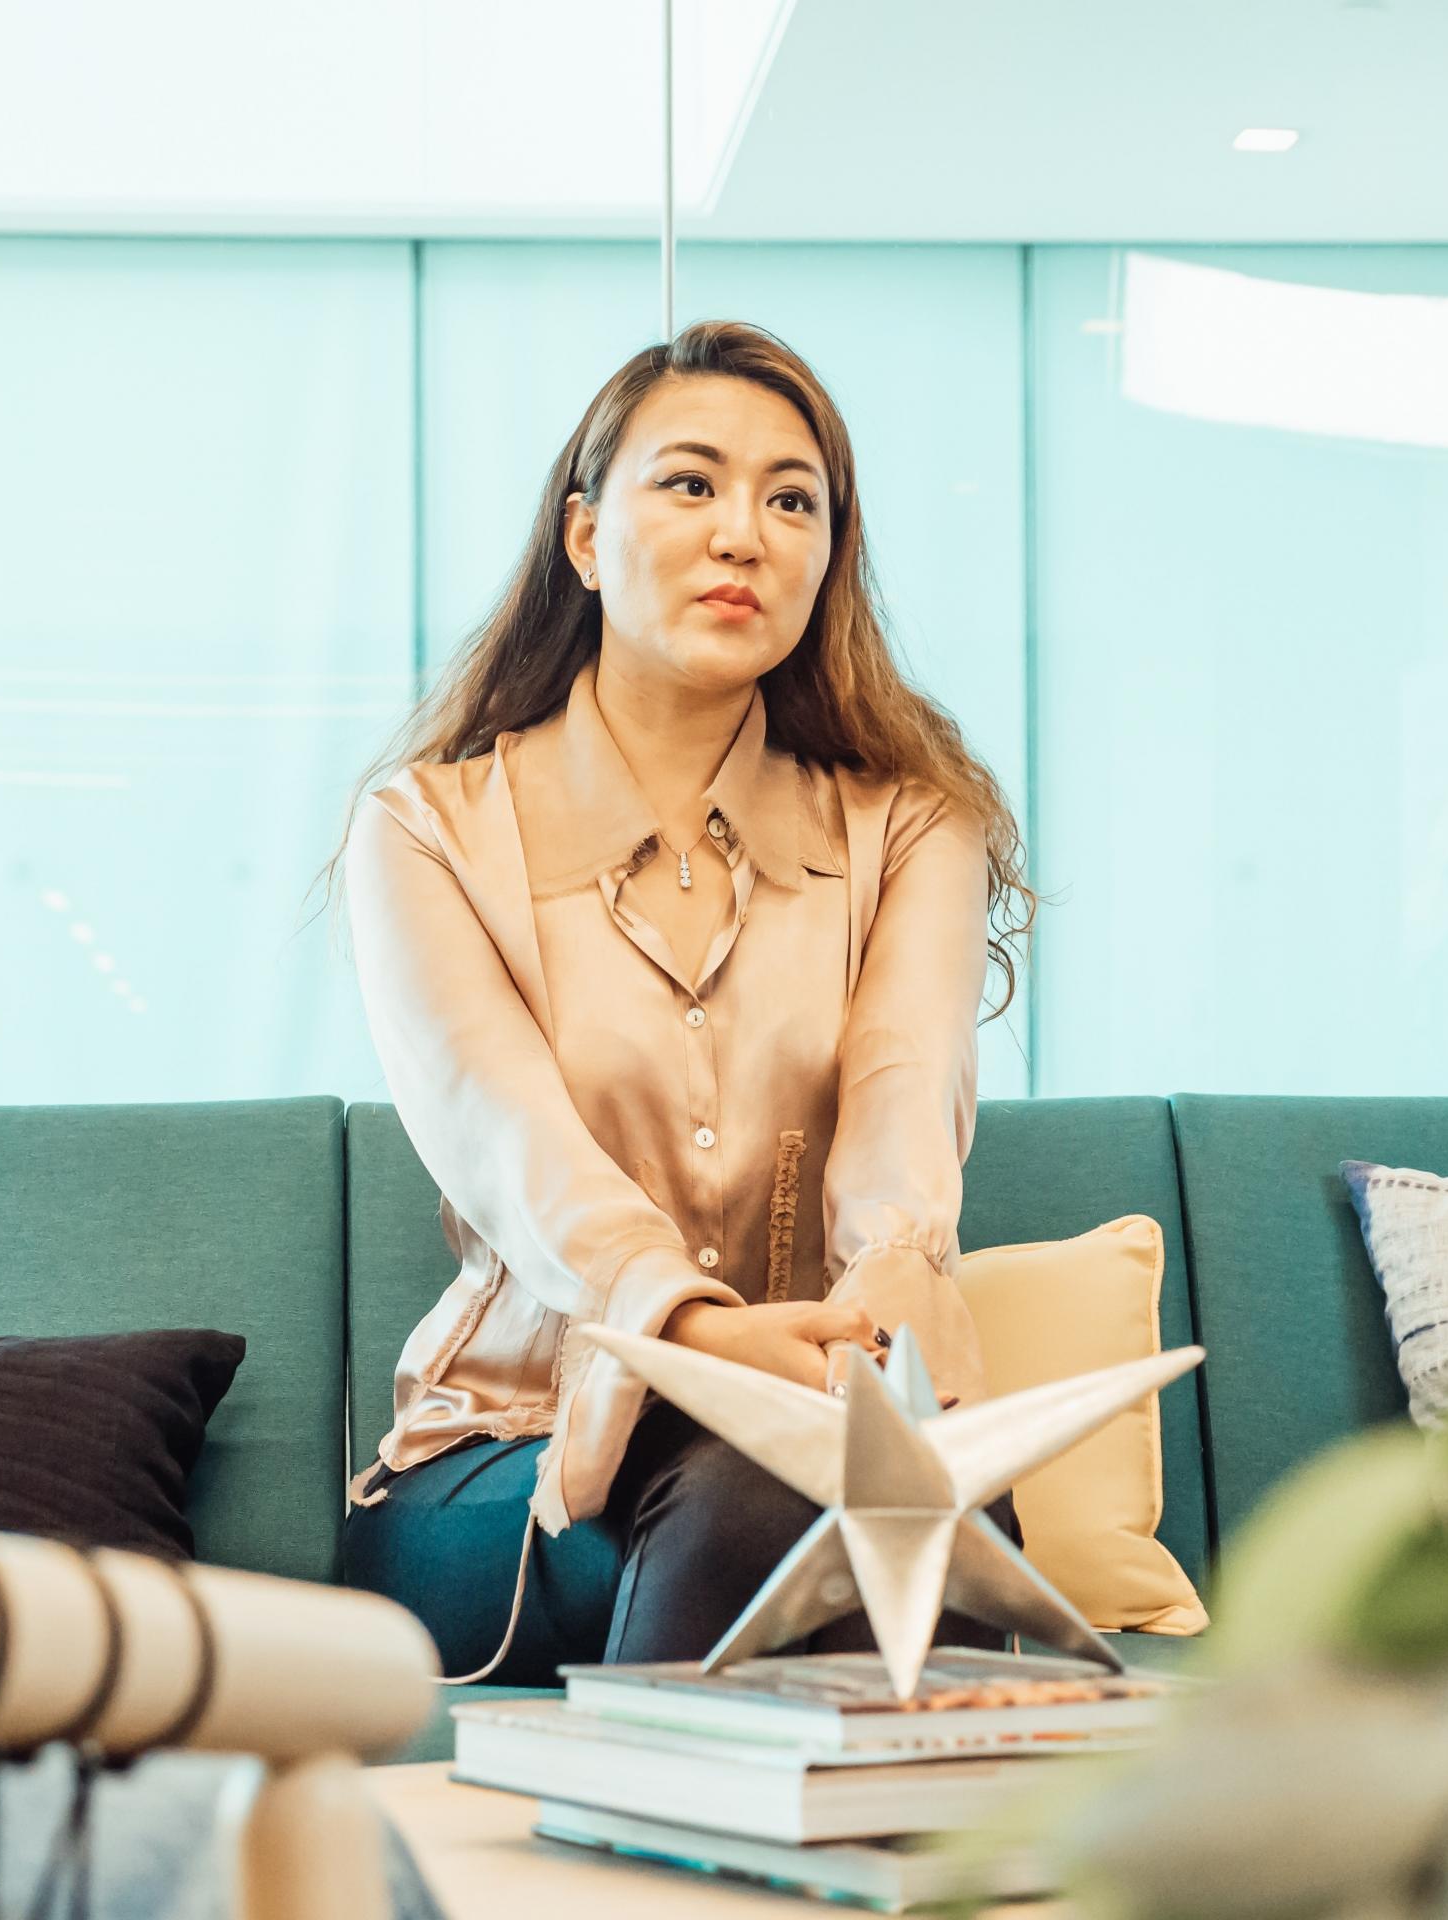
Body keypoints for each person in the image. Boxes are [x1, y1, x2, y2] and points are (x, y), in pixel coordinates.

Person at [326, 320, 1037, 1685]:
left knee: (909, 1492)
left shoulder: (910, 827)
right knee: (779, 1500)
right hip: (514, 1455)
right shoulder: (427, 829)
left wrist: (893, 1280)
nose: (744, 534)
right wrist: (698, 1333)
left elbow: (905, 1089)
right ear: (587, 540)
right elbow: (513, 1146)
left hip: (815, 1428)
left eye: (791, 500)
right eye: (692, 484)